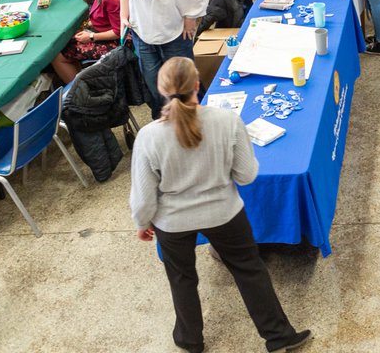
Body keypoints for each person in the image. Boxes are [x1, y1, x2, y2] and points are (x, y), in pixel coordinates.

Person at [130, 58, 311, 353]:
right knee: (249, 269)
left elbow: (143, 196)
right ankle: (278, 336)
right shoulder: (227, 120)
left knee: (182, 279)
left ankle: (190, 340)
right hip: (224, 212)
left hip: (172, 221)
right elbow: (246, 175)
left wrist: (142, 222)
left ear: (161, 90)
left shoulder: (148, 136)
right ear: (197, 85)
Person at [116, 0, 208, 117]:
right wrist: (124, 16)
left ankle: (195, 115)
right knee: (154, 82)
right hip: (143, 34)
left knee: (182, 82)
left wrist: (190, 18)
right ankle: (166, 118)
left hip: (173, 35)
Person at [50, 0, 121, 85]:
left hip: (114, 42)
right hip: (100, 31)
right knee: (66, 44)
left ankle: (79, 91)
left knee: (58, 56)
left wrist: (92, 37)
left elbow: (118, 32)